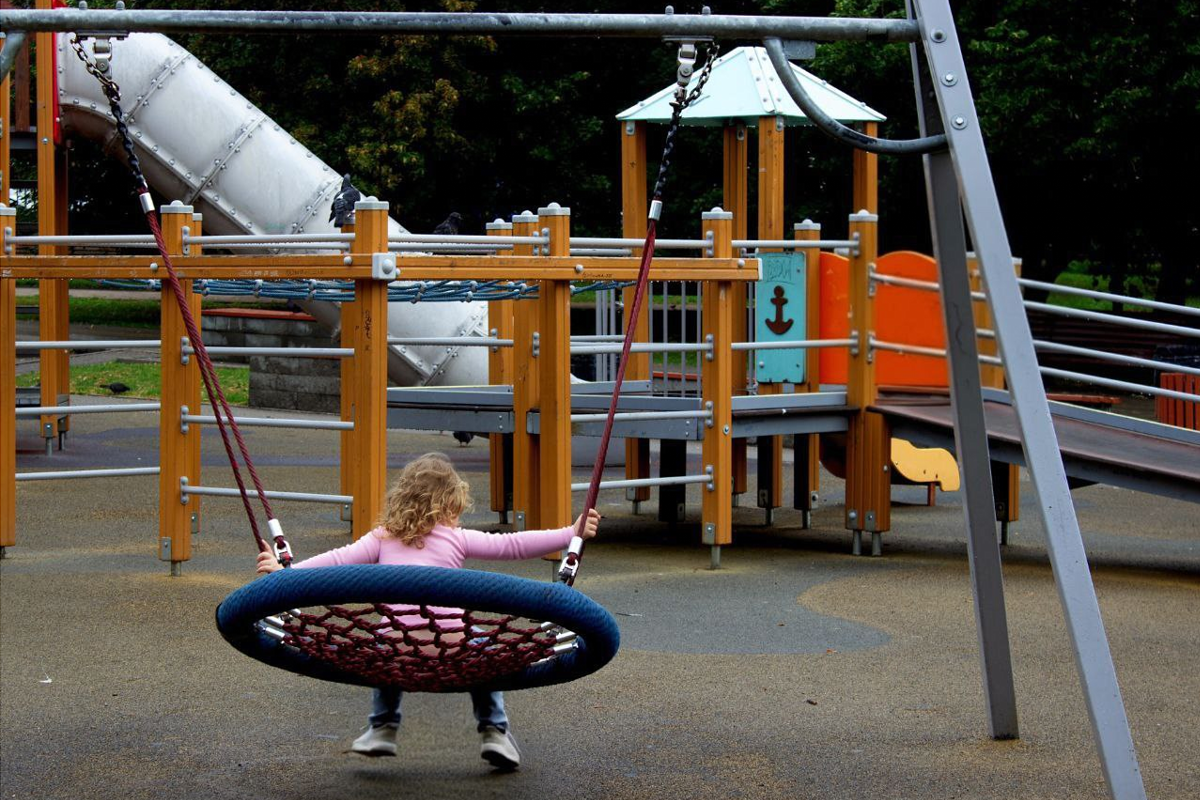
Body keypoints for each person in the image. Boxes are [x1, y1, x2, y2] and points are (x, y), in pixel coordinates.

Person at [255, 452, 601, 770]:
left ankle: (382, 727)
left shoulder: (381, 538)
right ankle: (494, 731)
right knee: (491, 655)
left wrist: (286, 572)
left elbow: (335, 561)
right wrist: (569, 534)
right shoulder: (457, 537)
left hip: (398, 649)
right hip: (454, 646)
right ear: (447, 506)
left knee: (378, 644)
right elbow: (513, 545)